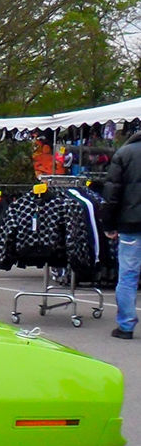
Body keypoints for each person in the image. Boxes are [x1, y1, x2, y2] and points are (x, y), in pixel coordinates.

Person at [102, 128, 141, 338]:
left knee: (128, 275)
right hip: (130, 223)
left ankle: (126, 326)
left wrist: (108, 225)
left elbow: (112, 194)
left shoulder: (124, 154)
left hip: (131, 224)